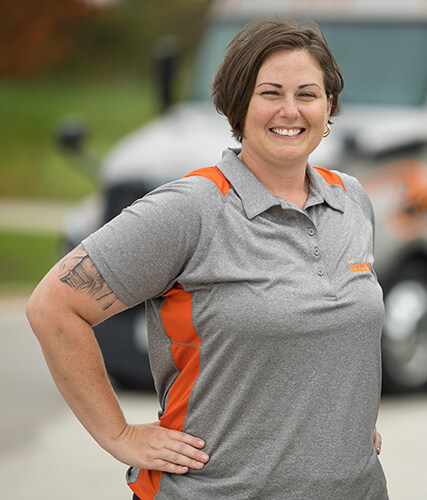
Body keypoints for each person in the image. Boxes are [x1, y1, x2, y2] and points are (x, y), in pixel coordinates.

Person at [26, 19, 389, 499]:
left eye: (307, 94)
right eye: (270, 93)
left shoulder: (353, 200)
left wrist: (344, 421)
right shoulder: (191, 208)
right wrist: (118, 435)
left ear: (329, 108)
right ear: (237, 104)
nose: (290, 110)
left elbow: (340, 334)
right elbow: (53, 306)